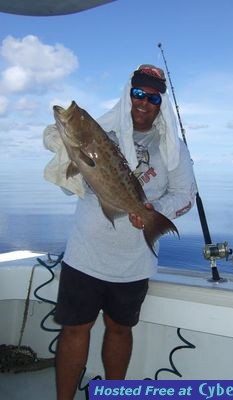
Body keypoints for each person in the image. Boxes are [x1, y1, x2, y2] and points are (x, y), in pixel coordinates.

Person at [43, 64, 196, 399]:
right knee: (74, 330)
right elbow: (70, 182)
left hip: (133, 261)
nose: (143, 102)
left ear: (160, 104)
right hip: (85, 253)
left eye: (152, 97)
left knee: (120, 329)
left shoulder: (174, 148)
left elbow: (185, 195)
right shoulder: (103, 131)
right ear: (128, 94)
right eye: (137, 93)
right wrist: (61, 143)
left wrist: (156, 213)